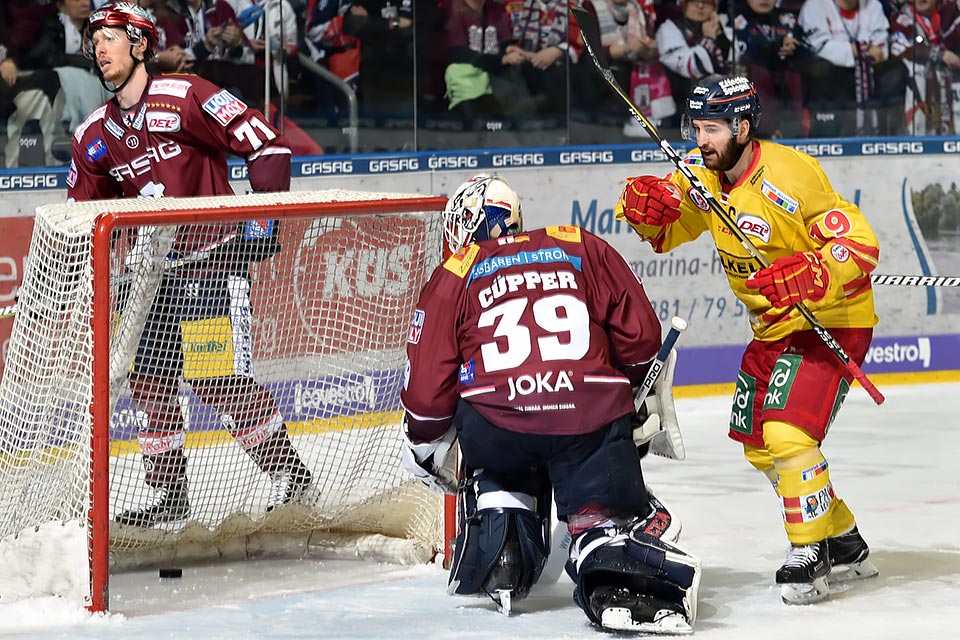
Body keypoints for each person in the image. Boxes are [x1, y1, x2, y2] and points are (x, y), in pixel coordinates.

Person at [615, 74, 880, 605]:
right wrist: (642, 208)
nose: (700, 139)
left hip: (829, 321)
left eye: (711, 129)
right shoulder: (701, 174)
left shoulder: (791, 174)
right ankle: (842, 536)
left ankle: (810, 552)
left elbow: (860, 242)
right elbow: (668, 227)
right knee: (759, 445)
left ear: (742, 126)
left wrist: (811, 270)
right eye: (696, 127)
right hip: (772, 328)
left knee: (787, 435)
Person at [399, 174, 701, 633]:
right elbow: (641, 339)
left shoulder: (454, 273)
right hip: (588, 416)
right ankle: (608, 543)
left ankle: (502, 538)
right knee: (601, 521)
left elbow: (426, 397)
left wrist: (423, 444)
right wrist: (631, 396)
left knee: (495, 458)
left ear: (460, 226)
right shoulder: (578, 243)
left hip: (497, 427)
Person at [67, 2, 311, 527]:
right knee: (148, 380)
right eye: (95, 41)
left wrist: (262, 221)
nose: (99, 48)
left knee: (215, 379)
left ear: (140, 43)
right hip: (151, 278)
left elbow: (267, 148)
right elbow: (81, 217)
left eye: (110, 37)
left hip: (210, 266)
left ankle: (291, 474)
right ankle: (171, 495)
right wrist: (65, 275)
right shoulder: (92, 134)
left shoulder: (187, 94)